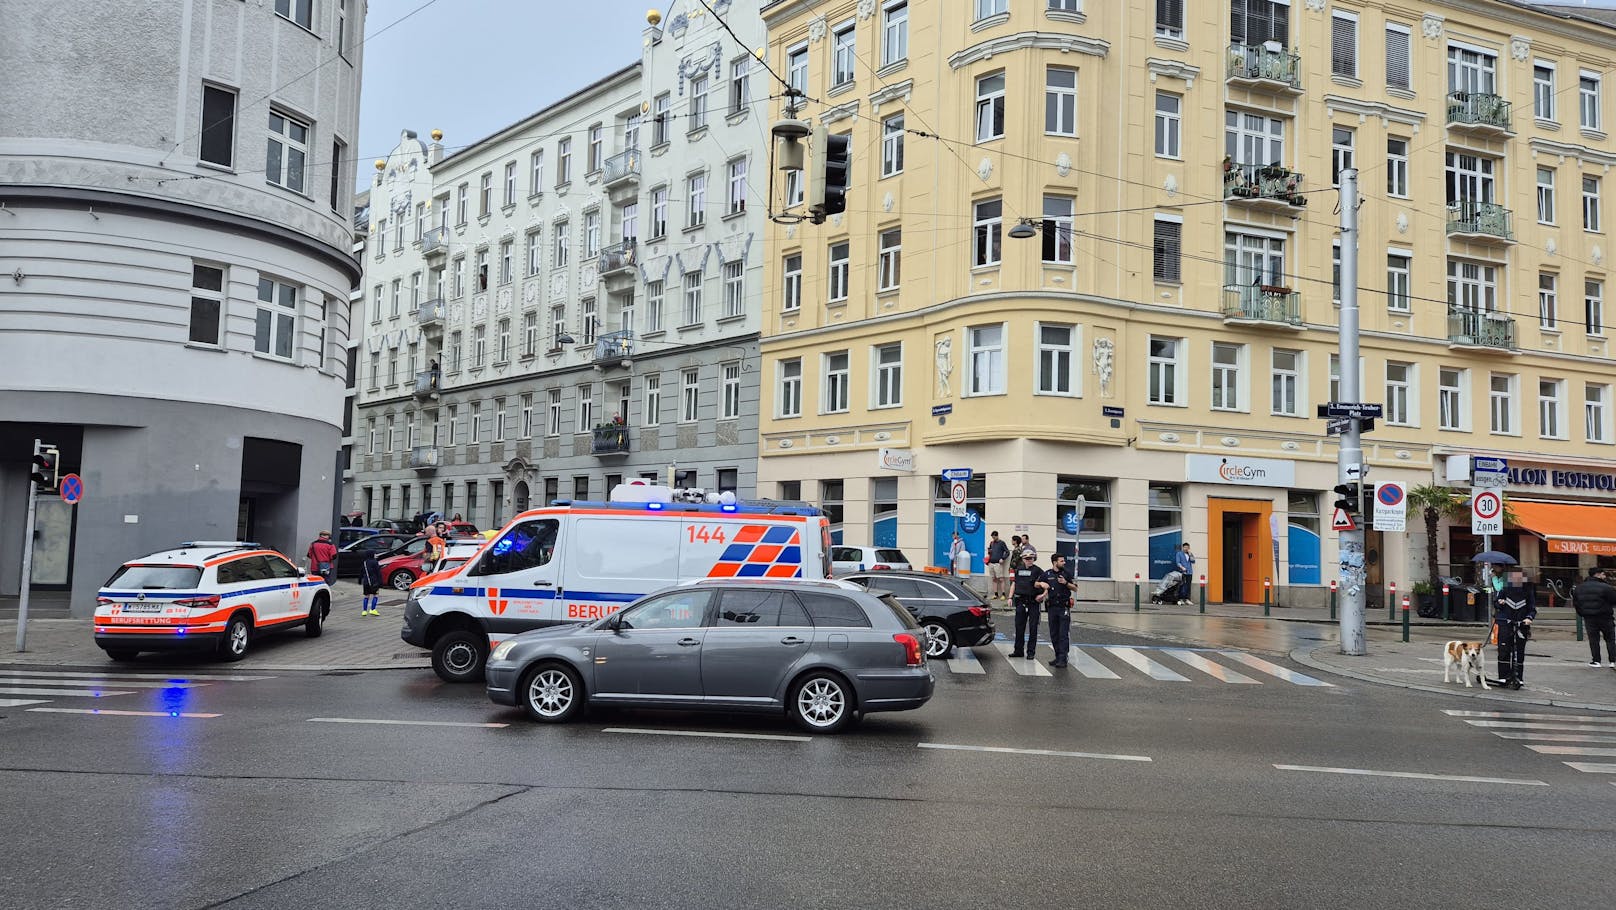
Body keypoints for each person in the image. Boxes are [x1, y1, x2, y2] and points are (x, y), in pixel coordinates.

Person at [1493, 569, 1536, 690]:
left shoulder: (1528, 592)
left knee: (1519, 651)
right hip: (1505, 623)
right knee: (1504, 649)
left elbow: (1532, 608)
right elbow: (1496, 602)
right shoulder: (1504, 590)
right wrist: (1499, 603)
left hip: (1521, 624)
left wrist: (1529, 618)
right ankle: (1503, 676)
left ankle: (1518, 676)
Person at [1036, 552, 1079, 668]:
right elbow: (1036, 584)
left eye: (1064, 560)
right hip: (1052, 608)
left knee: (1063, 634)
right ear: (1055, 562)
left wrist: (1066, 583)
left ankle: (1063, 658)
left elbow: (1075, 588)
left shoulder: (1066, 573)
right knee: (1054, 633)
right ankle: (1057, 655)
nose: (1064, 562)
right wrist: (1041, 584)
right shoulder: (1047, 574)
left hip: (1063, 607)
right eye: (1061, 561)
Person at [1572, 567, 1616, 668]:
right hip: (1605, 617)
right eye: (1603, 574)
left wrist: (1583, 613)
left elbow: (1576, 603)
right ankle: (1612, 661)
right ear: (1598, 574)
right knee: (1610, 639)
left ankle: (1596, 661)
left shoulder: (1580, 587)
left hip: (1589, 618)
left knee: (1593, 640)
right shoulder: (1606, 587)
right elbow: (1614, 600)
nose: (1604, 576)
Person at [1008, 547, 1042, 660]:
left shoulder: (1038, 571)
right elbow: (1014, 584)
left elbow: (1046, 585)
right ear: (1023, 559)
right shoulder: (1018, 569)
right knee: (1019, 627)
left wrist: (1042, 596)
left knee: (1033, 628)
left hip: (1033, 603)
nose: (1029, 560)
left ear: (1034, 558)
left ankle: (1031, 652)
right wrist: (1009, 597)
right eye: (1026, 558)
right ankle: (1018, 651)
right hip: (1021, 601)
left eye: (1031, 558)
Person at [985, 531, 1010, 601]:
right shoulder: (991, 543)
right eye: (992, 537)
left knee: (1001, 579)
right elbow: (990, 552)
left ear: (997, 536)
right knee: (994, 579)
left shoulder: (1002, 543)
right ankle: (995, 594)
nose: (993, 538)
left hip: (998, 564)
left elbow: (1007, 552)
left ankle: (1003, 594)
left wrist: (1003, 558)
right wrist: (989, 551)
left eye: (994, 537)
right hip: (991, 563)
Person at [359, 550, 384, 617]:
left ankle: (364, 611)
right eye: (375, 554)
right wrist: (380, 582)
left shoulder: (364, 562)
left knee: (366, 596)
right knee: (376, 595)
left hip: (366, 582)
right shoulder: (375, 562)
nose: (376, 555)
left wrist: (360, 580)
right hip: (374, 582)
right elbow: (378, 573)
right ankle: (373, 609)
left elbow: (361, 572)